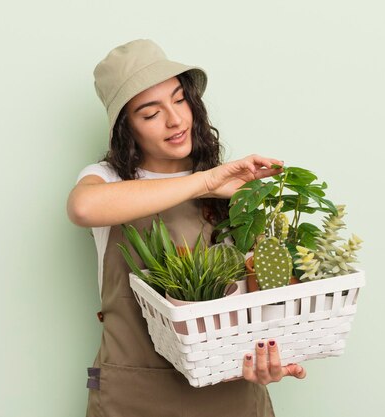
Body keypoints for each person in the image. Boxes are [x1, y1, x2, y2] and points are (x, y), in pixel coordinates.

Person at [67, 39, 306, 417]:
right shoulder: (106, 179)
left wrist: (270, 357)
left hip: (230, 390)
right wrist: (206, 182)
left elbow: (257, 294)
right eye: (150, 113)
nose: (176, 120)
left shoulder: (232, 187)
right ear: (126, 129)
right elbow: (82, 207)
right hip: (136, 396)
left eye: (179, 100)